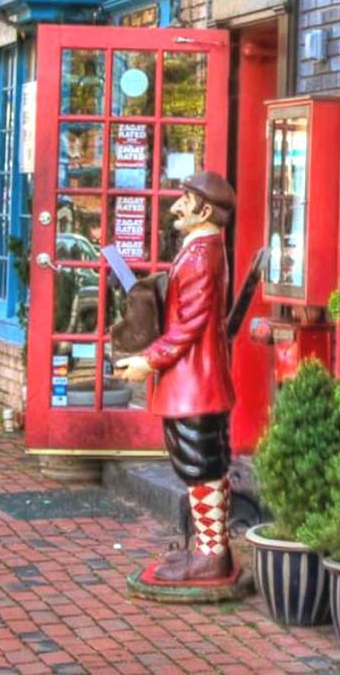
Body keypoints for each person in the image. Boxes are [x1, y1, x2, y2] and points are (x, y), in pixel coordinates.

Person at [114, 170, 237, 584]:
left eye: (185, 199)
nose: (175, 207)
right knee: (198, 464)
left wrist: (148, 361)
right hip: (193, 380)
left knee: (201, 465)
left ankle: (212, 555)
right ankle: (207, 547)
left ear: (206, 209)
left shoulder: (202, 254)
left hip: (195, 381)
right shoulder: (199, 248)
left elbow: (190, 325)